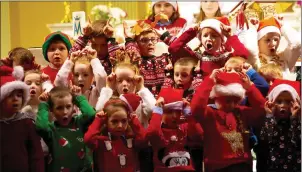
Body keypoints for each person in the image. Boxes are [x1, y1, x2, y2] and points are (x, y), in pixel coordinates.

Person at [191, 70, 266, 172]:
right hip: (217, 166)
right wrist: (209, 82)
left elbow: (261, 112)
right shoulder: (209, 114)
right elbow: (196, 108)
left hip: (242, 164)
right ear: (217, 98)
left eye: (236, 101)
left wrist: (250, 89)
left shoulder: (243, 112)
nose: (232, 105)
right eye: (227, 101)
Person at [36, 86, 96, 172]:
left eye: (68, 106)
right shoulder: (51, 130)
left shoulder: (79, 123)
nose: (65, 112)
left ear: (73, 108)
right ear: (51, 110)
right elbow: (41, 127)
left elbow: (90, 114)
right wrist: (43, 104)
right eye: (59, 108)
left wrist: (78, 97)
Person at [168, 16, 249, 78]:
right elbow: (173, 48)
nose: (209, 39)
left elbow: (243, 54)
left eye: (214, 36)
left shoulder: (226, 58)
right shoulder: (197, 58)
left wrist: (229, 36)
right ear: (200, 39)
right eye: (205, 35)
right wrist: (192, 32)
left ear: (221, 40)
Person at [147, 88, 203, 172]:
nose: (175, 116)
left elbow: (199, 135)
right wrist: (157, 109)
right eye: (169, 111)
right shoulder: (159, 130)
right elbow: (152, 132)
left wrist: (188, 113)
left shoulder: (184, 127)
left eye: (178, 111)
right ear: (162, 112)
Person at [0, 65, 44, 171]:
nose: (16, 99)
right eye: (10, 95)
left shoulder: (26, 123)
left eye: (19, 95)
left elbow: (36, 155)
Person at [84, 96, 146, 172]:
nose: (120, 126)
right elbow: (88, 139)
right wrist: (98, 121)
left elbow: (144, 139)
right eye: (114, 121)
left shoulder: (131, 139)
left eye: (124, 121)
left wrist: (134, 121)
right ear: (106, 121)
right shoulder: (101, 141)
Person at [254, 79, 301, 172]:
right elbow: (265, 139)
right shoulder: (269, 121)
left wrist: (294, 117)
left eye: (288, 102)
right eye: (279, 101)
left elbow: (297, 139)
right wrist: (269, 115)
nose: (283, 105)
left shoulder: (297, 122)